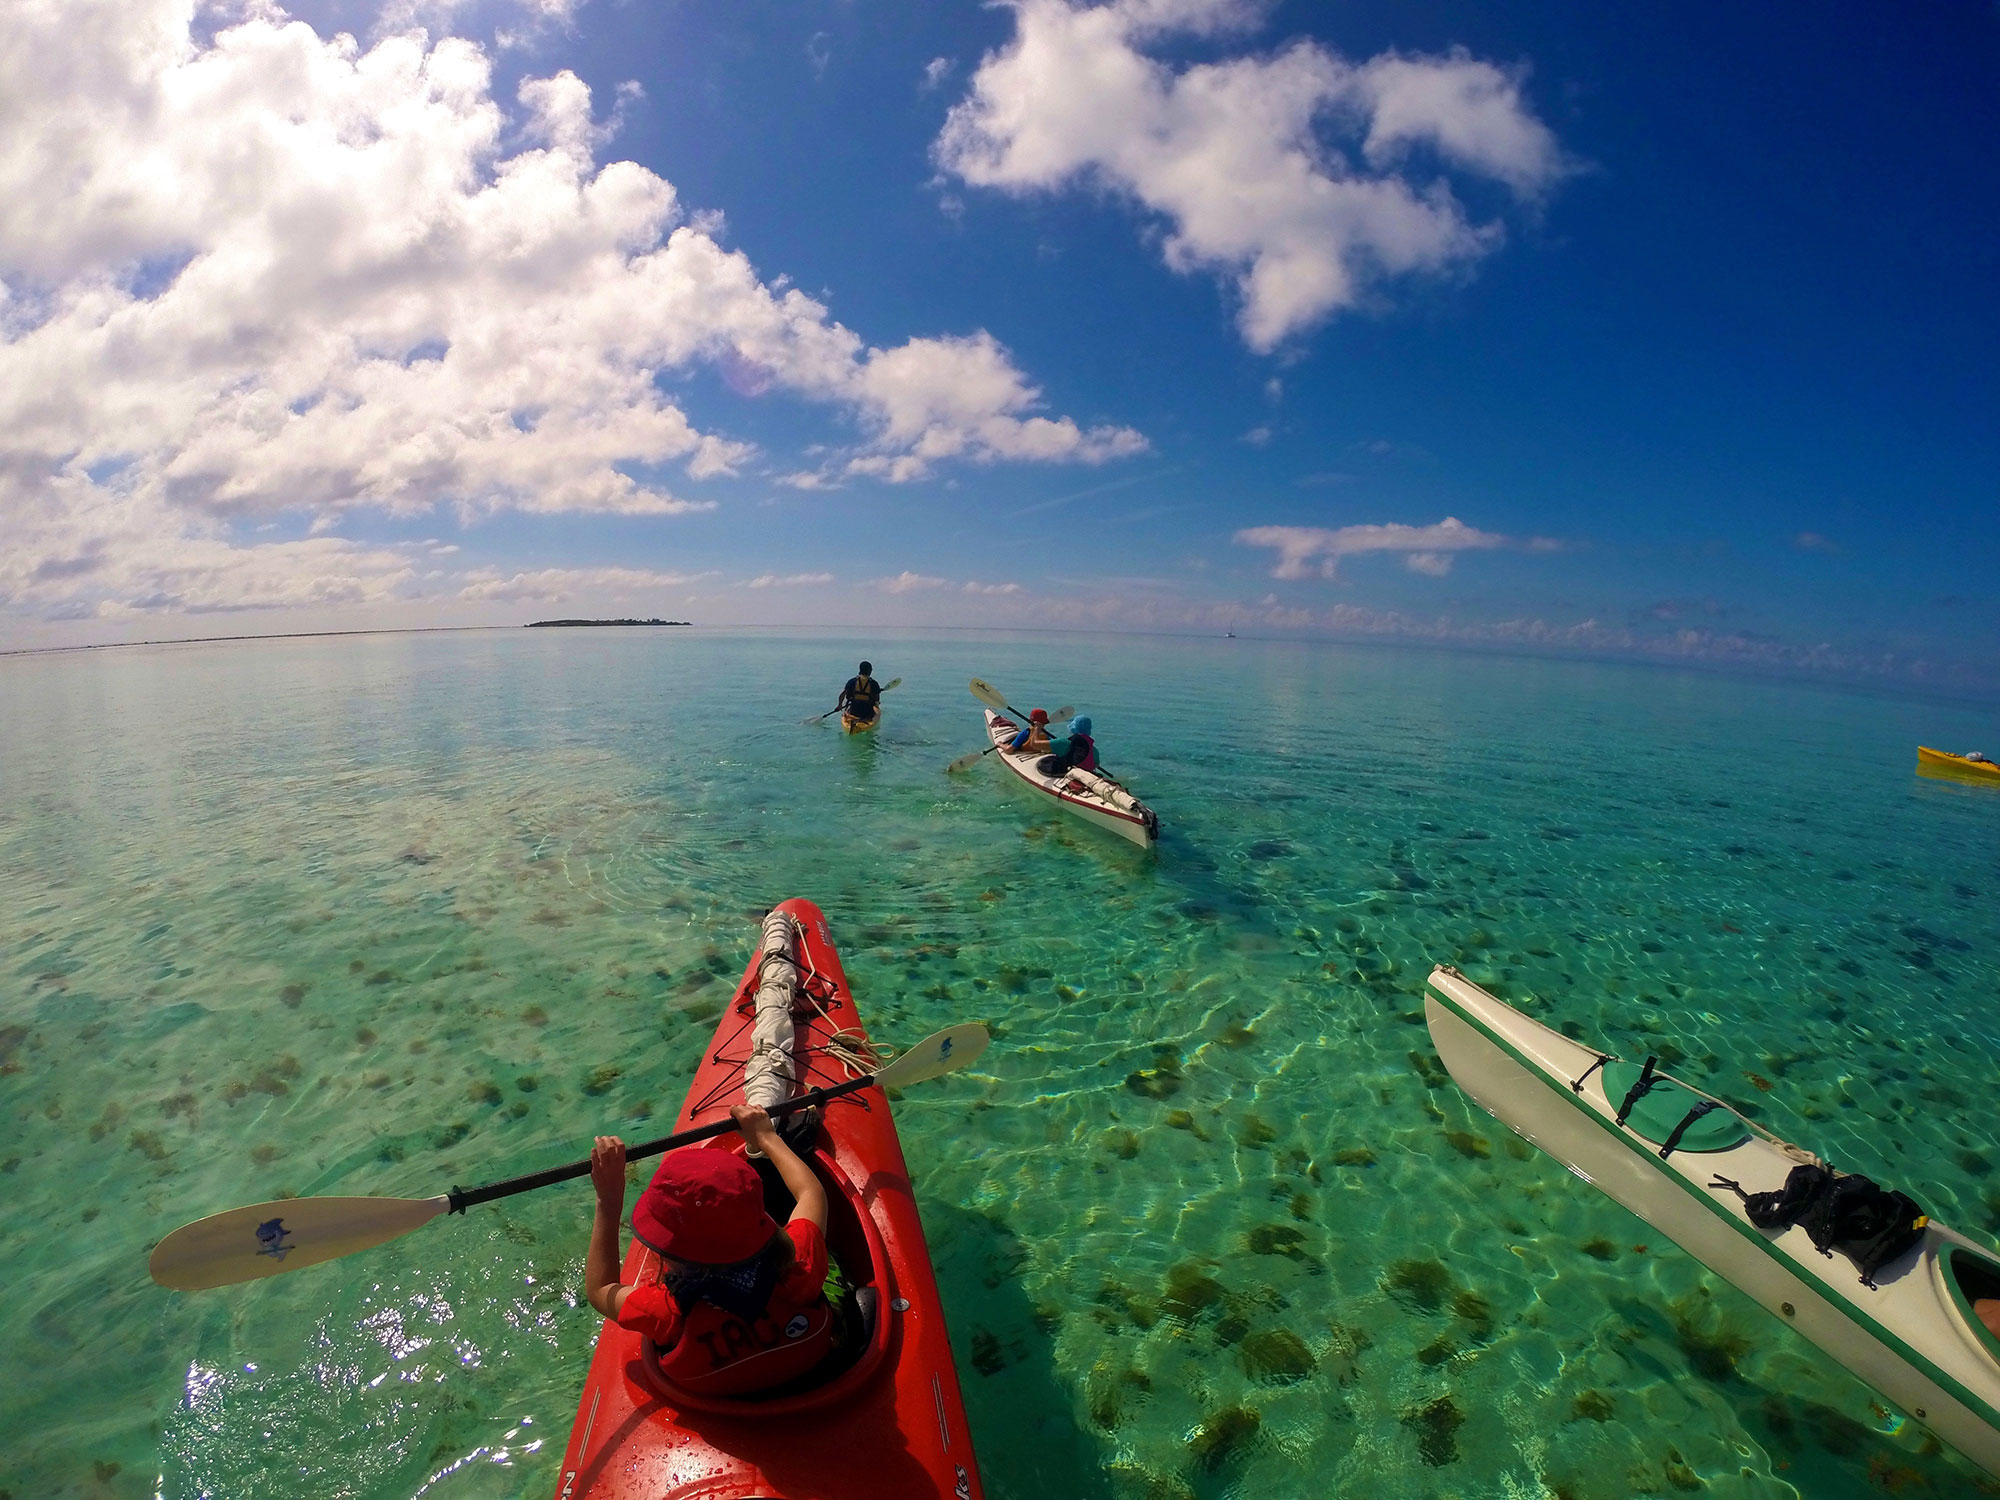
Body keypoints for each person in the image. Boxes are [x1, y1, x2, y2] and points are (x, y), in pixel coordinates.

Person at [587, 1105, 833, 1395]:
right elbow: (811, 1193)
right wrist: (767, 1137)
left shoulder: (668, 1312)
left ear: (671, 1255)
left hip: (718, 1407)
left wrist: (609, 1198)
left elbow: (601, 1289)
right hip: (810, 1374)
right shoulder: (798, 1266)